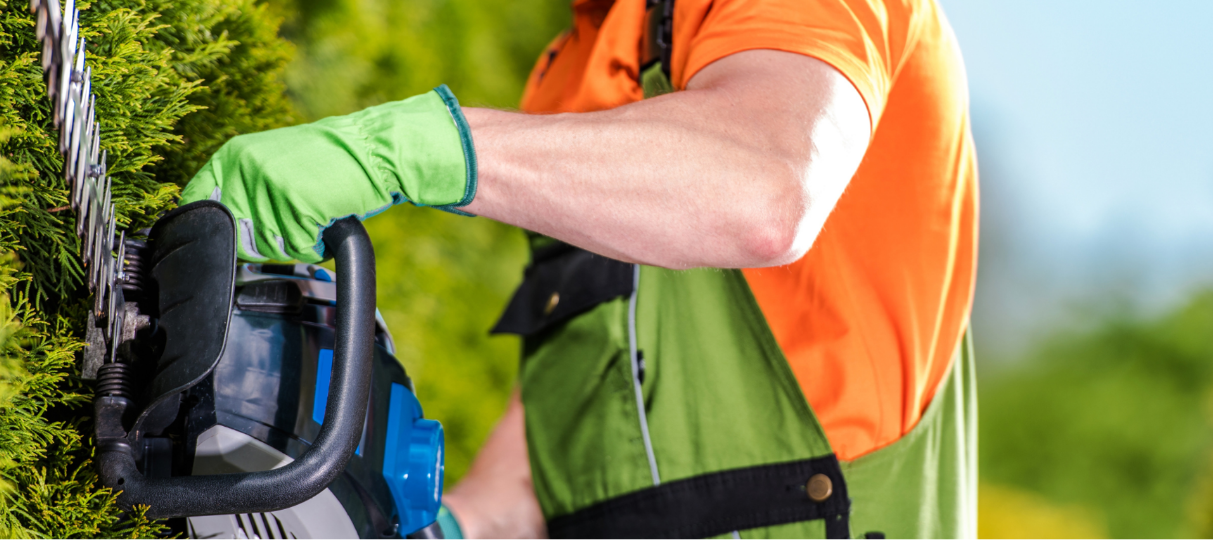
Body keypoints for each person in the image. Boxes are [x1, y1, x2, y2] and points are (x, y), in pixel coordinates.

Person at [179, 0, 979, 537]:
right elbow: (541, 478)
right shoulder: (581, 64)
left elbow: (768, 188)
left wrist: (404, 149)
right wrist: (430, 526)